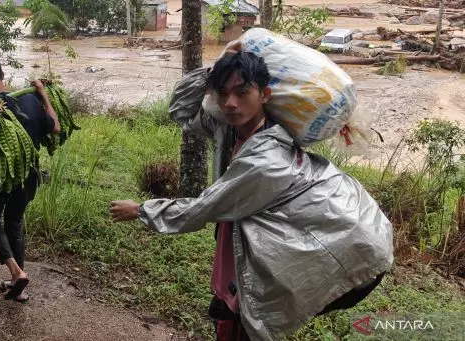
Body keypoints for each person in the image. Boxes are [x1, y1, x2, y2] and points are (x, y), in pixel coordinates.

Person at [109, 42, 393, 341]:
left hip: (255, 251)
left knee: (242, 320)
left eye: (242, 93)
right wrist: (213, 71)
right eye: (223, 93)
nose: (231, 103)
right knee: (231, 318)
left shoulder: (266, 159)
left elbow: (202, 209)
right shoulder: (229, 128)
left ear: (264, 95)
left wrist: (141, 210)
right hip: (235, 238)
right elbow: (181, 109)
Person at [0, 55, 60, 303]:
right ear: (1, 74)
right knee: (14, 222)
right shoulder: (29, 98)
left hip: (1, 178)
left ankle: (16, 272)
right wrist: (43, 93)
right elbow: (55, 127)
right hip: (29, 176)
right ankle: (20, 285)